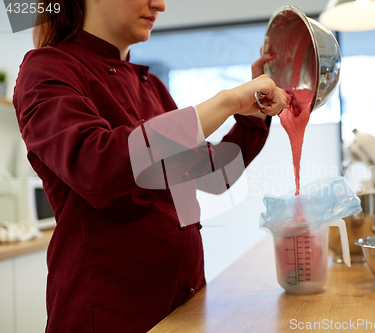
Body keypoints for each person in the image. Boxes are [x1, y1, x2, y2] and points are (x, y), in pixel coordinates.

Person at [13, 0, 287, 332]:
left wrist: (253, 116)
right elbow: (96, 164)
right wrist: (227, 101)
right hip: (110, 317)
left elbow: (216, 175)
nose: (160, 4)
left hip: (184, 305)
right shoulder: (48, 68)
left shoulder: (153, 87)